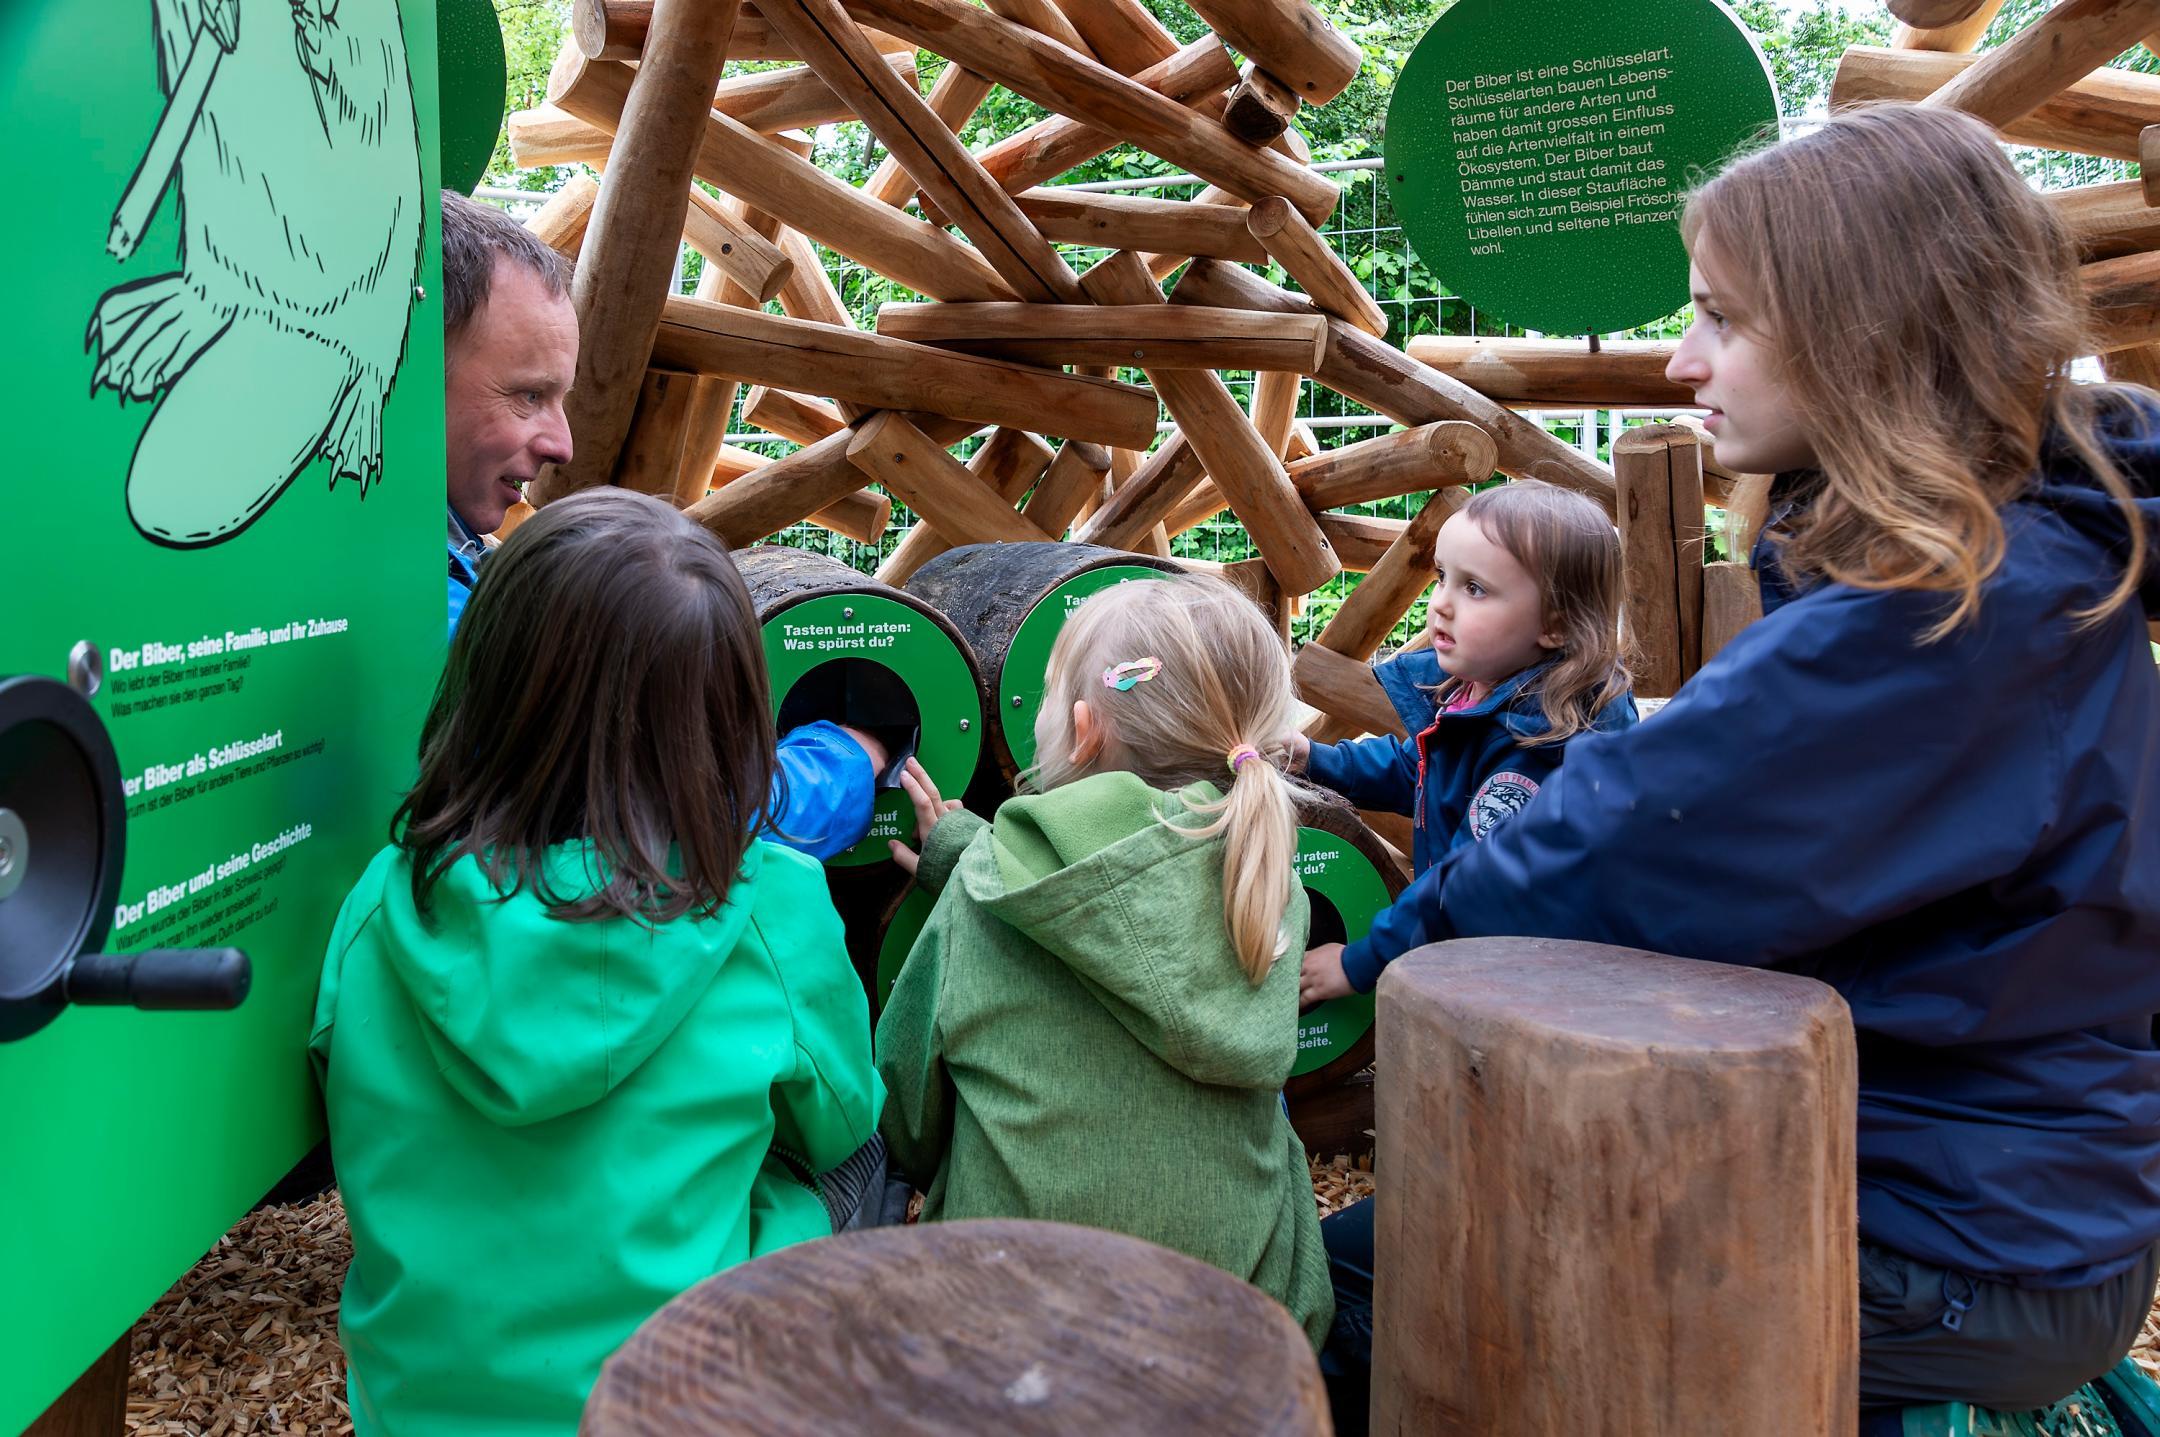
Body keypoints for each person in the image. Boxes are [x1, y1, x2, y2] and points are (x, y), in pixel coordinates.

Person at [1312, 102, 2160, 1429]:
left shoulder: (1935, 610)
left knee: (1365, 1279)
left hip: (1953, 1248)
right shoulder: (2018, 554)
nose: (1681, 360)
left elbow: (1614, 841)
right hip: (2008, 1197)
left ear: (1862, 333)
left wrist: (1375, 952)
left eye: (1723, 317)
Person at [311, 490, 884, 1436]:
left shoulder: (387, 896)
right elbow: (843, 1119)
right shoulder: (769, 900)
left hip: (422, 1411)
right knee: (868, 1159)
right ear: (730, 715)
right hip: (682, 1404)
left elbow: (340, 1074)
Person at [874, 576, 1334, 1348]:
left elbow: (904, 1112)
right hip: (1247, 1339)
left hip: (1011, 1338)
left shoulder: (983, 887)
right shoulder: (1265, 875)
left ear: (1085, 731)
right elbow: (1137, 906)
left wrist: (968, 861)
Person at [437, 189, 881, 860]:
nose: (563, 445)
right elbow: (660, 806)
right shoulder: (425, 620)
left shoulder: (451, 550)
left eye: (561, 399)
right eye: (528, 394)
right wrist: (847, 758)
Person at [1287, 479, 1637, 1007]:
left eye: (1474, 589)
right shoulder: (1488, 691)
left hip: (1536, 986)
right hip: (1490, 962)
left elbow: (1468, 882)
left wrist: (1358, 962)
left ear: (1556, 623)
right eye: (1442, 577)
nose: (1441, 606)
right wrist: (1314, 759)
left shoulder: (1540, 743)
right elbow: (1422, 771)